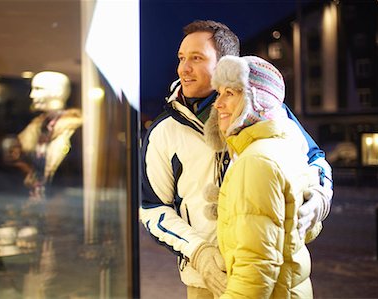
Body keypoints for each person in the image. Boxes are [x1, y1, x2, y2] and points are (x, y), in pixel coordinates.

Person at [140, 20, 333, 298]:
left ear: (225, 65)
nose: (184, 68)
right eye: (181, 58)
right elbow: (151, 208)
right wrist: (199, 253)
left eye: (196, 58)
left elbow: (315, 161)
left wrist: (319, 199)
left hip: (274, 273)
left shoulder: (269, 112)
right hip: (207, 280)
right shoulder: (164, 131)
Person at [209, 55, 319, 298]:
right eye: (219, 92)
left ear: (257, 101)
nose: (218, 104)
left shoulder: (256, 161)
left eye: (231, 93)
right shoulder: (287, 145)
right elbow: (305, 229)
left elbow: (255, 272)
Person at [6, 71, 84, 298]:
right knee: (37, 276)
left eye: (38, 89)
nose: (32, 95)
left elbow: (68, 177)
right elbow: (17, 157)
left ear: (57, 92)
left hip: (62, 219)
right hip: (38, 214)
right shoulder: (38, 129)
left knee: (56, 279)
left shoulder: (73, 130)